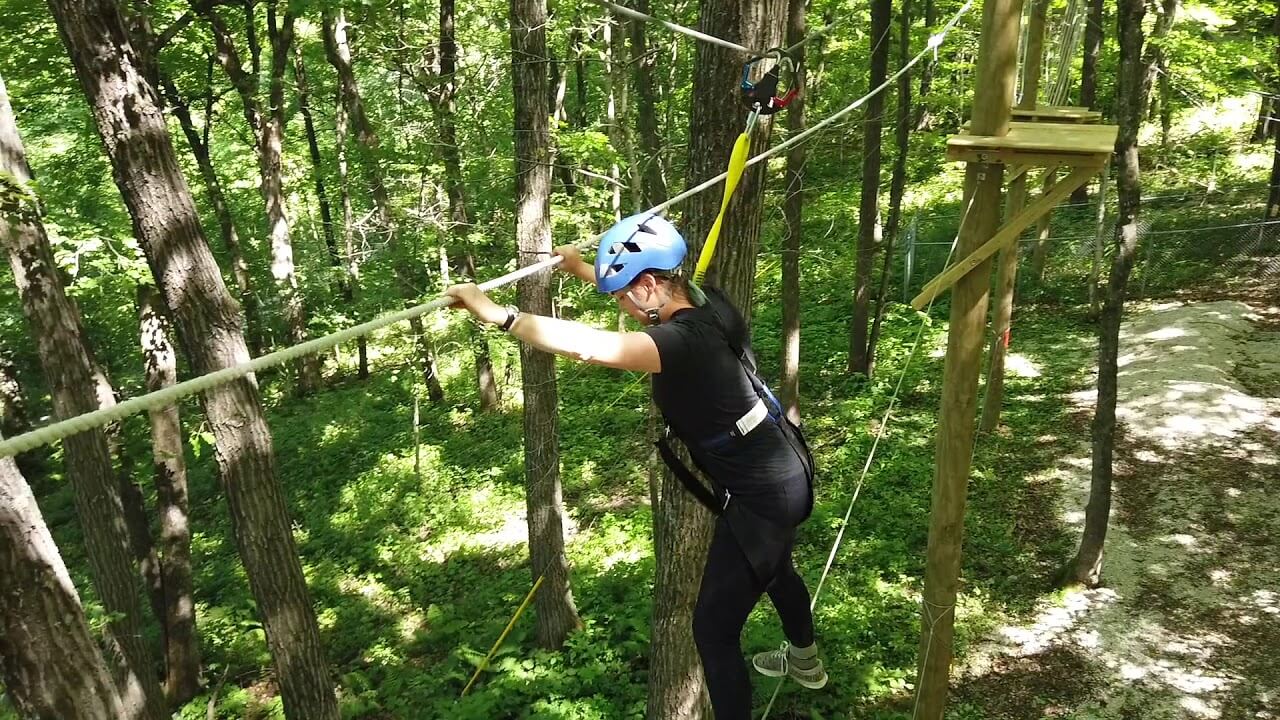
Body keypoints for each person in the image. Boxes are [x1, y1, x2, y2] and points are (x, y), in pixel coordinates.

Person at [445, 212, 826, 718]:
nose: (622, 306)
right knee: (774, 569)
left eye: (623, 294)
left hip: (763, 495)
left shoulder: (679, 345)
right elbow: (650, 314)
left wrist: (497, 313)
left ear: (649, 284)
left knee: (711, 630)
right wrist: (583, 269)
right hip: (786, 469)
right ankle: (805, 661)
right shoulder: (712, 303)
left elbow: (592, 346)